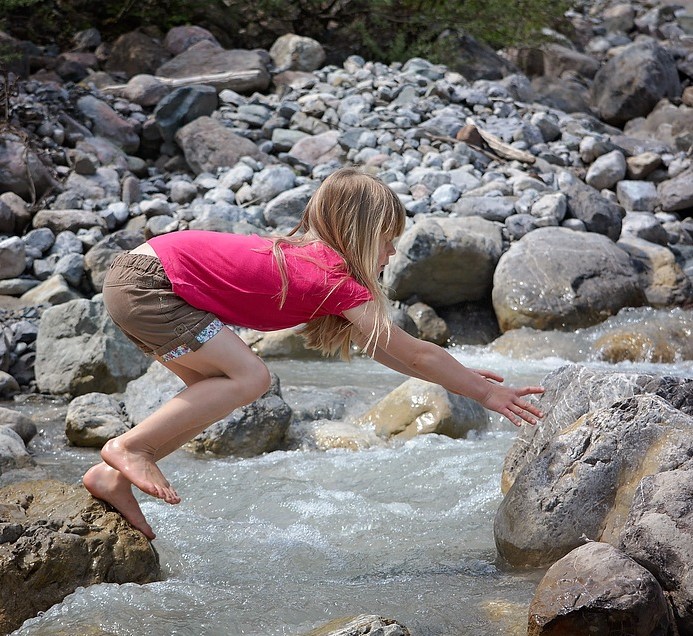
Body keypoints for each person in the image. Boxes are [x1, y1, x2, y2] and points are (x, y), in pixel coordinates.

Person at [83, 167, 544, 540]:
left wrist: (460, 375)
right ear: (360, 233)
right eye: (387, 238)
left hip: (141, 279)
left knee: (214, 390)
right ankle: (129, 447)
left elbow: (389, 352)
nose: (392, 250)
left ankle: (112, 476)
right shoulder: (330, 275)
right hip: (151, 283)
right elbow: (417, 354)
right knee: (251, 378)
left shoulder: (316, 267)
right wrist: (485, 394)